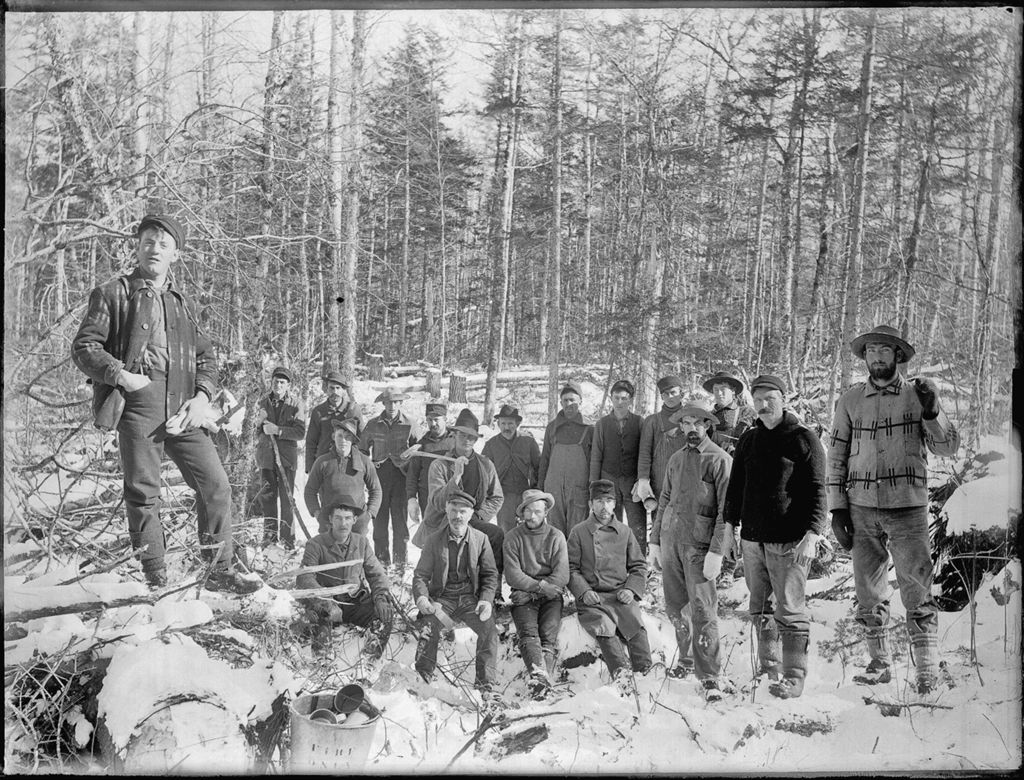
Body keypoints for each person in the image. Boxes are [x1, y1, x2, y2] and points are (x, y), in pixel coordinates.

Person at [71, 213, 258, 593]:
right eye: (148, 241)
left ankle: (219, 572)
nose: (154, 248)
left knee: (216, 485)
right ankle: (155, 579)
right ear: (138, 247)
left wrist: (201, 399)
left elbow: (207, 357)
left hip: (183, 405)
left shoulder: (181, 303)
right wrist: (121, 375)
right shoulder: (114, 293)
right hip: (138, 401)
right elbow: (84, 347)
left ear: (176, 254)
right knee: (143, 492)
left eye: (164, 243)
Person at [827, 325, 960, 694]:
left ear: (898, 356)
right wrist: (837, 509)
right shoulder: (850, 400)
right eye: (871, 351)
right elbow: (836, 455)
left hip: (907, 508)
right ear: (865, 357)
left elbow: (948, 447)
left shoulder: (918, 396)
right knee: (868, 590)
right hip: (862, 509)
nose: (878, 358)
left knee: (916, 587)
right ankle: (879, 662)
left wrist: (932, 410)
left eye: (885, 351)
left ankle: (927, 669)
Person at [723, 375, 827, 700]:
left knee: (790, 608)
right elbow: (735, 487)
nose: (764, 405)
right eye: (758, 400)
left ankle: (794, 677)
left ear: (784, 400)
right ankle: (768, 669)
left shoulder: (804, 438)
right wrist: (730, 529)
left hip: (790, 541)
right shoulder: (749, 440)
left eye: (771, 398)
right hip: (752, 540)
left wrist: (812, 535)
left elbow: (819, 491)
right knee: (760, 608)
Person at [648, 402, 733, 698]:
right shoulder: (675, 459)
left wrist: (717, 552)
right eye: (686, 423)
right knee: (676, 607)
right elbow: (665, 500)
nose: (692, 428)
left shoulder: (719, 460)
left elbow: (727, 512)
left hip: (700, 548)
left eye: (698, 423)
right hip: (672, 544)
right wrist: (656, 541)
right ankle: (685, 659)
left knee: (703, 611)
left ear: (708, 425)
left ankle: (710, 675)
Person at [567, 479, 651, 692]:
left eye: (609, 501)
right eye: (599, 501)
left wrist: (631, 590)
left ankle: (647, 675)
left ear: (615, 504)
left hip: (619, 595)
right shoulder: (579, 532)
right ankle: (622, 677)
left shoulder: (625, 532)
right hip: (593, 598)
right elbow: (570, 568)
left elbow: (639, 565)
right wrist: (584, 591)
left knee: (635, 627)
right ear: (590, 504)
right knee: (605, 629)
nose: (604, 507)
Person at [412, 490, 499, 690]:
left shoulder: (481, 539)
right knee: (430, 625)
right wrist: (423, 599)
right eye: (453, 510)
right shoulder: (434, 540)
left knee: (488, 629)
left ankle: (485, 685)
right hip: (443, 599)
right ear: (446, 510)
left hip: (470, 600)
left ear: (470, 514)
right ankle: (423, 677)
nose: (457, 516)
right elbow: (420, 575)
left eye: (463, 511)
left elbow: (490, 574)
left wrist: (486, 600)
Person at [413, 408, 505, 594]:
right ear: (454, 435)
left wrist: (477, 515)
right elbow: (437, 502)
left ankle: (492, 594)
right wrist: (455, 477)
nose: (466, 440)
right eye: (462, 435)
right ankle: (438, 595)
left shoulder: (485, 465)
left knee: (496, 535)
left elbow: (497, 497)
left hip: (471, 520)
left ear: (476, 440)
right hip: (441, 522)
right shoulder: (439, 464)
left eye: (471, 437)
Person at [296, 498, 395, 657]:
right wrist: (326, 602)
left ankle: (368, 663)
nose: (343, 523)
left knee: (385, 617)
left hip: (356, 603)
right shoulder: (316, 544)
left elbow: (377, 574)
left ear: (354, 520)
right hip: (329, 604)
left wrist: (381, 598)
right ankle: (322, 665)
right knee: (319, 622)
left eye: (348, 518)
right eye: (338, 518)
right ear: (330, 519)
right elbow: (304, 577)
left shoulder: (361, 542)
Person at [503, 489, 569, 698]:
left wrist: (536, 591)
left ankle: (543, 681)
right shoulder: (513, 537)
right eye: (528, 511)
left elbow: (561, 575)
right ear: (522, 513)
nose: (532, 516)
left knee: (548, 635)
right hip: (525, 595)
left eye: (538, 511)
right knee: (528, 633)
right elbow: (513, 575)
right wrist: (540, 588)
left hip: (547, 595)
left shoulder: (556, 536)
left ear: (546, 513)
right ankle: (539, 677)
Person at [360, 387, 420, 566]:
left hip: (401, 478)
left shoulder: (410, 424)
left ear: (401, 403)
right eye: (388, 402)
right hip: (378, 479)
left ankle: (400, 566)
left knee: (400, 525)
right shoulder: (372, 424)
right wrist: (366, 474)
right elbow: (362, 451)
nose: (392, 406)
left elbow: (419, 452)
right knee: (379, 524)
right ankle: (382, 564)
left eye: (395, 402)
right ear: (383, 403)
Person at [589, 379, 646, 554]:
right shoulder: (602, 424)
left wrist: (642, 480)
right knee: (609, 522)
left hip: (632, 482)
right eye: (616, 398)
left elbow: (644, 453)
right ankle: (612, 563)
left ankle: (639, 564)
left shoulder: (639, 422)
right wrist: (594, 486)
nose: (620, 402)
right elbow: (596, 455)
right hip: (609, 481)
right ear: (611, 399)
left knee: (637, 525)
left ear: (630, 400)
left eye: (624, 398)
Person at [254, 366, 307, 548]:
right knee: (268, 499)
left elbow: (300, 432)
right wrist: (259, 424)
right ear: (271, 382)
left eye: (282, 382)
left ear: (288, 385)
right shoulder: (262, 403)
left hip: (286, 460)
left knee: (287, 501)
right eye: (276, 381)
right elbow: (254, 430)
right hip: (267, 459)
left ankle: (287, 541)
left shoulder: (296, 404)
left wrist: (278, 430)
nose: (278, 385)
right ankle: (269, 539)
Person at [635, 375, 689, 544]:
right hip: (660, 480)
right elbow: (644, 452)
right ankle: (660, 559)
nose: (669, 397)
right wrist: (643, 480)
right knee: (661, 519)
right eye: (665, 394)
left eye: (673, 392)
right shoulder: (652, 421)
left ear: (681, 393)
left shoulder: (690, 418)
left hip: (686, 476)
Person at [305, 417, 381, 535]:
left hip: (357, 523)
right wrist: (318, 514)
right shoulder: (323, 462)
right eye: (340, 436)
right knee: (328, 552)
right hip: (329, 521)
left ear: (353, 440)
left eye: (348, 437)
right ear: (333, 436)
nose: (343, 440)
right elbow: (310, 491)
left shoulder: (364, 461)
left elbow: (376, 490)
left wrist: (368, 515)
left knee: (356, 552)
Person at [538, 382, 594, 537]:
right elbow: (545, 459)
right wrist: (540, 488)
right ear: (561, 402)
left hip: (578, 488)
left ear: (580, 401)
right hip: (553, 488)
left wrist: (593, 488)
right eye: (565, 400)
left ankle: (575, 561)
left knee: (578, 531)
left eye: (572, 400)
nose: (568, 404)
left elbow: (594, 462)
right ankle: (558, 560)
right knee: (555, 532)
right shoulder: (552, 427)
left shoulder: (589, 428)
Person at [481, 404, 541, 533]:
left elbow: (539, 468)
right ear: (498, 424)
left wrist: (537, 491)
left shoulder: (528, 442)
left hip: (525, 494)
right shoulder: (491, 445)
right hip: (503, 496)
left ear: (517, 423)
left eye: (510, 423)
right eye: (503, 424)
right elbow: (484, 473)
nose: (506, 427)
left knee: (528, 529)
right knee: (506, 531)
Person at [304, 370, 363, 473]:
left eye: (338, 388)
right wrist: (310, 468)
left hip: (348, 463)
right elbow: (311, 442)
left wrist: (361, 465)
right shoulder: (318, 411)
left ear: (343, 390)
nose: (335, 392)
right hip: (324, 463)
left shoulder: (353, 410)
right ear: (326, 389)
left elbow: (362, 439)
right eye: (331, 388)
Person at [406, 401, 454, 526]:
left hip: (453, 498)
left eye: (437, 420)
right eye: (429, 420)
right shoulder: (422, 445)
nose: (433, 424)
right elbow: (412, 475)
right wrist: (412, 499)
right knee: (430, 538)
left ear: (445, 419)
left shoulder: (455, 442)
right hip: (428, 499)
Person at [702, 370, 757, 454]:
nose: (719, 393)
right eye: (716, 389)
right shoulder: (708, 416)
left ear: (733, 390)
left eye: (723, 389)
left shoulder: (745, 412)